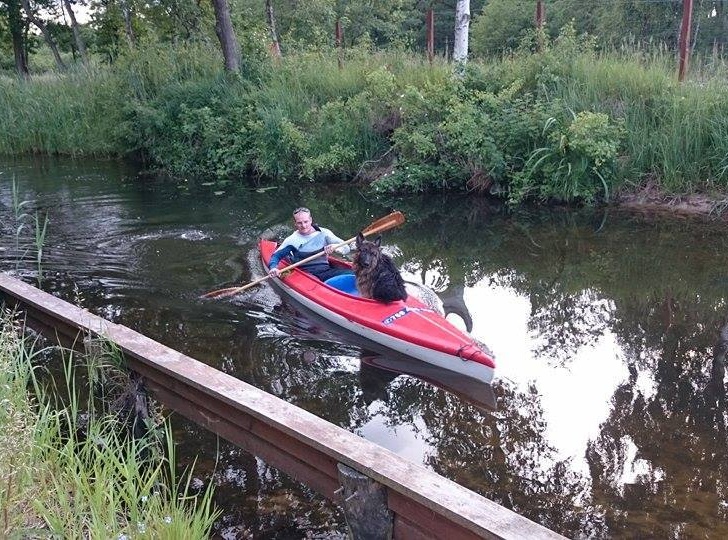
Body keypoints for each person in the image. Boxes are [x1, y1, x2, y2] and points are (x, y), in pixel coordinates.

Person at [268, 207, 353, 282]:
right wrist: (273, 268)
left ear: (311, 220)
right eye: (299, 223)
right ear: (295, 223)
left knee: (355, 275)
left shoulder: (324, 233)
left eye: (306, 222)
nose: (304, 226)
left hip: (325, 270)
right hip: (305, 274)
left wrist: (336, 248)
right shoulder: (292, 240)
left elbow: (346, 248)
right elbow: (276, 256)